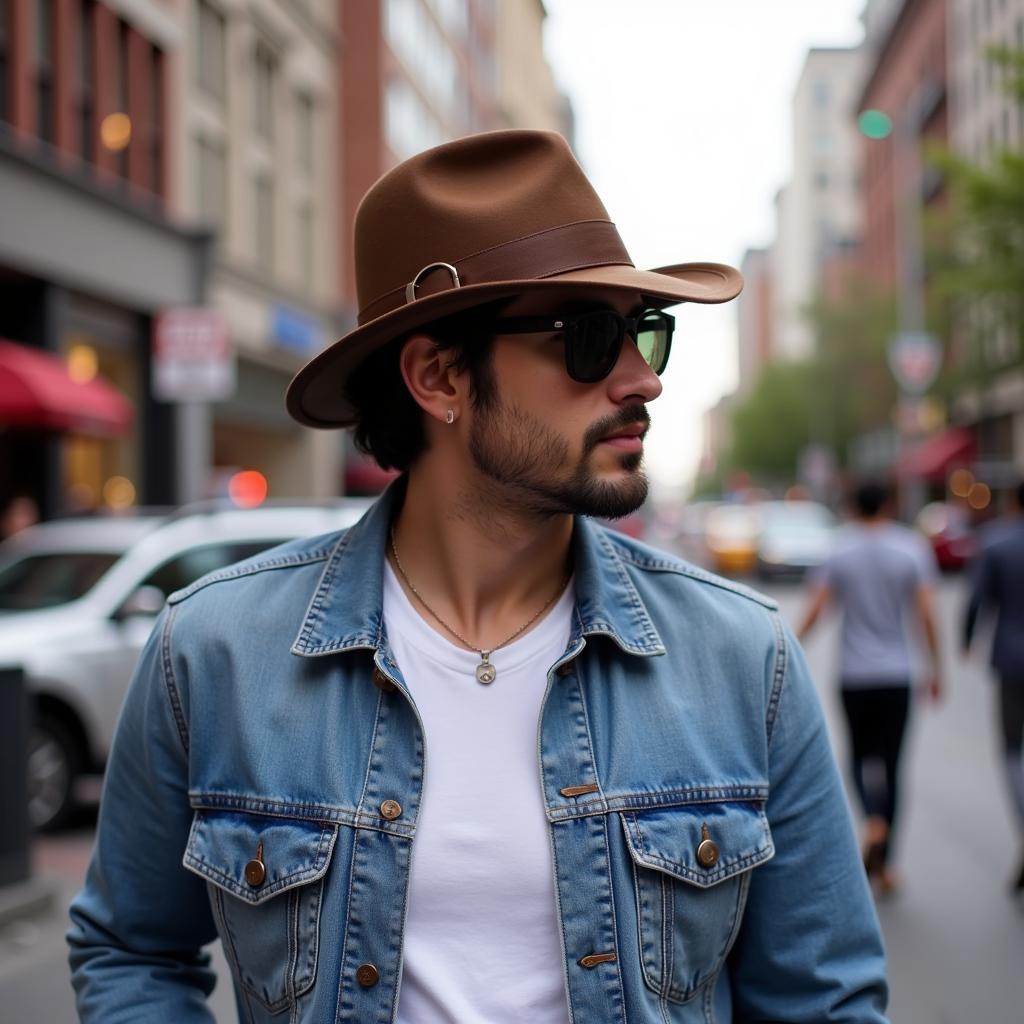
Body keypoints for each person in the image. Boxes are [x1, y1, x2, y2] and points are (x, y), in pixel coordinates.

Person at [68, 130, 887, 1023]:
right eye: (589, 338)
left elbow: (825, 1000)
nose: (641, 379)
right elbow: (131, 949)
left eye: (646, 331)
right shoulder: (217, 651)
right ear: (438, 377)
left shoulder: (740, 657)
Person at [799, 479, 942, 895]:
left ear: (852, 505)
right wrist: (936, 669)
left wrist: (790, 645)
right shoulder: (911, 547)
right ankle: (888, 863)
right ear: (890, 503)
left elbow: (819, 608)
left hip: (854, 675)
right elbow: (927, 615)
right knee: (894, 765)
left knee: (859, 758)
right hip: (898, 674)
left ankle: (872, 822)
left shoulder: (838, 549)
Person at [963, 479, 1024, 894]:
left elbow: (976, 599)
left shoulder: (997, 544)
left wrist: (965, 640)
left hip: (1012, 661)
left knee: (1013, 751)